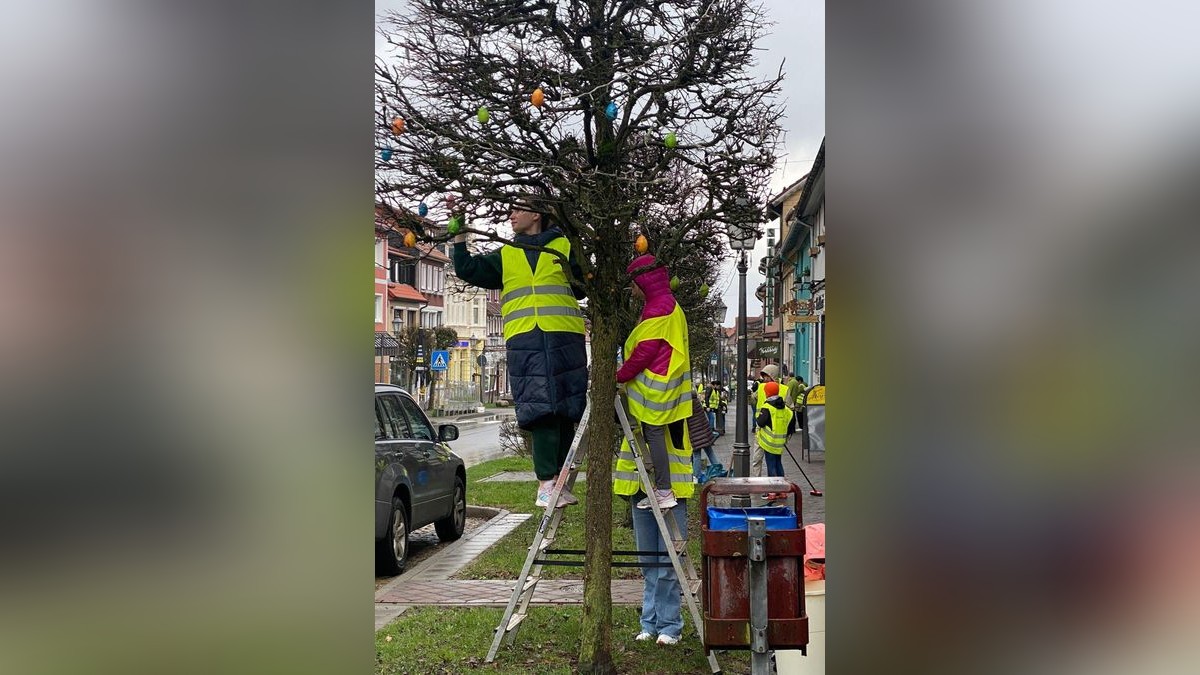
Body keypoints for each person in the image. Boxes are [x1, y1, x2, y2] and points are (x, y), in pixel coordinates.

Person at [452, 198, 588, 508]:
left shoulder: (566, 247)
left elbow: (583, 286)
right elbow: (467, 268)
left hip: (564, 339)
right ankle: (545, 482)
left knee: (567, 409)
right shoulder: (507, 254)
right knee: (540, 409)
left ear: (537, 214)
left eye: (516, 209)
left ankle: (560, 481)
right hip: (526, 341)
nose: (510, 215)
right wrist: (458, 230)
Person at [615, 254, 695, 511]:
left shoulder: (658, 308)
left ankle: (663, 490)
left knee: (654, 433)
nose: (633, 290)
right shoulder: (668, 304)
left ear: (644, 281)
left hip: (654, 386)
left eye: (634, 283)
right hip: (666, 383)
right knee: (654, 434)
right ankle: (663, 490)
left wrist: (620, 375)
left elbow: (644, 352)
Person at [629, 487, 688, 646]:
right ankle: (650, 624)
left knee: (668, 564)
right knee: (648, 564)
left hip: (672, 493)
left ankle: (669, 626)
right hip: (639, 492)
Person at [755, 381, 795, 490]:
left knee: (771, 466)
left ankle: (773, 490)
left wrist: (758, 417)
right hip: (780, 443)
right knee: (778, 464)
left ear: (767, 393)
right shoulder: (784, 407)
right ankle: (782, 489)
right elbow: (791, 420)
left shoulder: (767, 407)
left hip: (769, 443)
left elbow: (760, 422)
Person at [751, 364, 789, 476]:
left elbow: (789, 410)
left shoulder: (785, 389)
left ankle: (774, 487)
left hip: (775, 430)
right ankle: (758, 481)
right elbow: (753, 399)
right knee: (758, 457)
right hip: (761, 427)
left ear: (773, 376)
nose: (764, 379)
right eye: (763, 377)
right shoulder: (762, 387)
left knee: (772, 461)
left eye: (766, 376)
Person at [687, 396, 721, 484]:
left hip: (695, 434)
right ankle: (717, 470)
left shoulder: (688, 404)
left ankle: (696, 476)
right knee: (709, 451)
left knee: (696, 454)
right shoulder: (696, 401)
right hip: (704, 431)